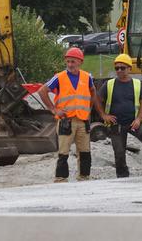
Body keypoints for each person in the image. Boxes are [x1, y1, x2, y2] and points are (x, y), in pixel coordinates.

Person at [38, 47, 107, 182]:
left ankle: (84, 178)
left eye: (73, 62)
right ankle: (61, 179)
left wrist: (89, 108)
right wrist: (53, 109)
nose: (70, 64)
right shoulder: (59, 77)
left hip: (82, 120)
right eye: (68, 61)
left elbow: (93, 92)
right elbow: (42, 91)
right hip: (66, 121)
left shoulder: (87, 77)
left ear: (80, 62)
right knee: (63, 152)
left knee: (85, 152)